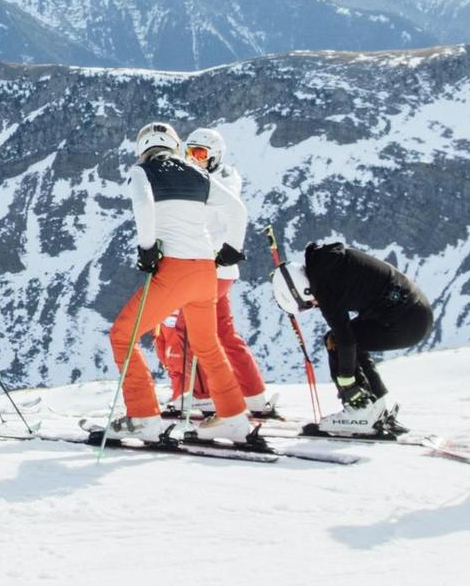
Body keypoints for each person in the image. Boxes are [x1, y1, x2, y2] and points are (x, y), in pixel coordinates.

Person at [104, 121, 252, 445]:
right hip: (206, 272)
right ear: (175, 145)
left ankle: (143, 416)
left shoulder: (143, 172)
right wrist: (231, 249)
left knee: (123, 335)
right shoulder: (197, 173)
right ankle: (234, 418)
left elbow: (143, 207)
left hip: (175, 269)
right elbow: (237, 210)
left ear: (143, 149)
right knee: (208, 346)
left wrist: (146, 252)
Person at [163, 127, 274, 418]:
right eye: (189, 153)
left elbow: (207, 223)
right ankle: (254, 394)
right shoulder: (221, 180)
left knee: (188, 330)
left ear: (215, 157)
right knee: (224, 333)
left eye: (200, 154)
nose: (194, 159)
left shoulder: (214, 186)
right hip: (223, 272)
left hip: (207, 268)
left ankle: (201, 396)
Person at [280, 241, 433, 433]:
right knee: (352, 340)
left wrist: (347, 381)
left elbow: (344, 340)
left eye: (306, 304)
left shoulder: (324, 288)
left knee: (336, 341)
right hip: (416, 313)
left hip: (406, 323)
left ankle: (360, 414)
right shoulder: (326, 262)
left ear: (302, 289)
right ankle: (375, 407)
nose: (313, 305)